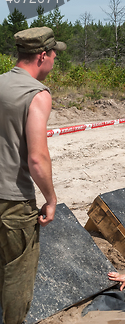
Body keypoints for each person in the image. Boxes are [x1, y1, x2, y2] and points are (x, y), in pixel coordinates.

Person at [0, 27, 65, 324]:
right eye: (54, 55)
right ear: (42, 56)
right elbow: (37, 158)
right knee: (17, 275)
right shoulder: (36, 94)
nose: (55, 61)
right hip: (12, 201)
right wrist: (51, 199)